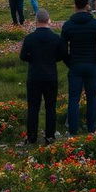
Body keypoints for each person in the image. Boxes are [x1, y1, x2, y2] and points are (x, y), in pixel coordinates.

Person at [61, 0, 96, 134]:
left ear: (75, 6)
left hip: (75, 64)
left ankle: (73, 131)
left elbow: (62, 49)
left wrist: (70, 62)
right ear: (88, 5)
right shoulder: (95, 24)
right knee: (92, 97)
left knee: (74, 98)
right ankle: (91, 128)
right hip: (92, 64)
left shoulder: (68, 25)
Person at [19, 8, 67, 145]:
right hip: (51, 75)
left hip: (34, 76)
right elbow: (62, 55)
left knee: (33, 107)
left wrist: (33, 59)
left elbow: (23, 56)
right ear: (48, 20)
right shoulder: (56, 37)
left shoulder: (29, 38)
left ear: (36, 21)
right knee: (50, 107)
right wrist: (52, 60)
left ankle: (31, 137)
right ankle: (50, 136)